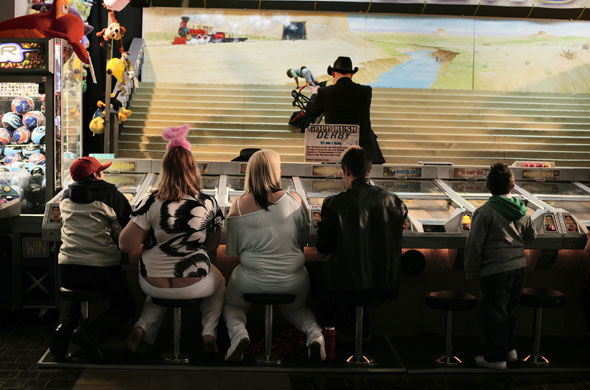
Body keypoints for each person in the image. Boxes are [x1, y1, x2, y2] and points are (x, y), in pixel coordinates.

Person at [119, 124, 226, 355]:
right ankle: (208, 332)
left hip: (152, 282)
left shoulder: (151, 202)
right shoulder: (208, 203)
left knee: (158, 293)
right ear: (194, 169)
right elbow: (212, 246)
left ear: (164, 170)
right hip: (193, 282)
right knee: (219, 282)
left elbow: (125, 244)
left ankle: (140, 329)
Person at [223, 149, 325, 362]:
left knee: (233, 305)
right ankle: (315, 336)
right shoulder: (295, 199)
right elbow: (304, 239)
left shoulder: (238, 206)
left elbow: (232, 251)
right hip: (293, 278)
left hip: (250, 279)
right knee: (296, 308)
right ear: (276, 171)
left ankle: (239, 334)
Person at [315, 146, 407, 336]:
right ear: (369, 170)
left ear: (346, 170)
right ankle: (362, 335)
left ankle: (337, 340)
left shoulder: (333, 203)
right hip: (384, 282)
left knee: (315, 276)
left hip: (344, 285)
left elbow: (323, 249)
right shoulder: (395, 202)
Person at [50, 156, 134, 362]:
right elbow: (126, 233)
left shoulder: (65, 196)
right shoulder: (112, 195)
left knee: (74, 298)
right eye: (101, 170)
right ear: (96, 174)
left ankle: (62, 331)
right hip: (100, 269)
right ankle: (90, 334)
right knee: (126, 306)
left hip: (67, 267)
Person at [464, 162, 537, 370]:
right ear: (512, 187)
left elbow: (475, 244)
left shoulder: (485, 212)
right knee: (508, 311)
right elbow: (532, 236)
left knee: (493, 314)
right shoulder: (522, 209)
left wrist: (470, 270)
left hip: (496, 270)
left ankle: (495, 358)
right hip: (519, 268)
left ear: (487, 187)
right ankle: (509, 350)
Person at [307, 56, 385, 165]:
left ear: (333, 74)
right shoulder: (366, 91)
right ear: (352, 74)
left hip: (335, 154)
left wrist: (315, 93)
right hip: (365, 153)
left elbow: (311, 111)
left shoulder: (324, 93)